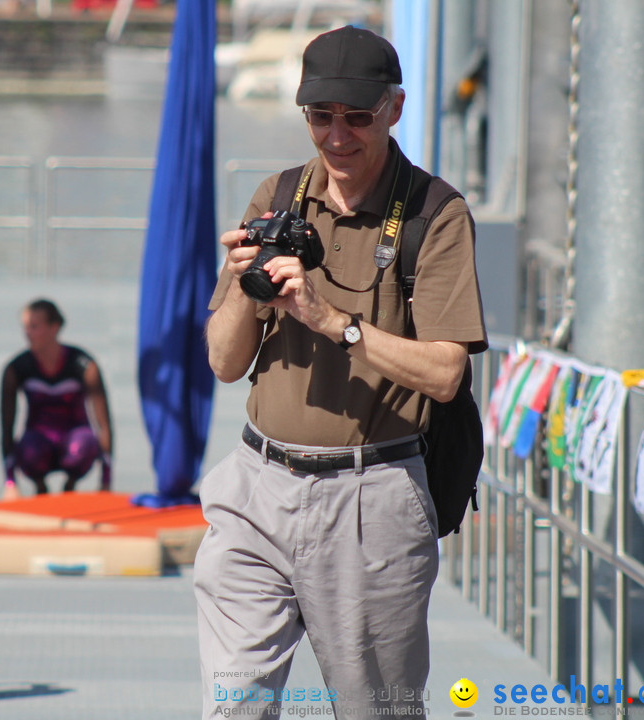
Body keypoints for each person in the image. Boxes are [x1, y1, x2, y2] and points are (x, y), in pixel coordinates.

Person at [194, 26, 487, 719]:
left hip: (371, 499)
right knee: (231, 708)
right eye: (320, 117)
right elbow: (224, 361)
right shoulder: (279, 194)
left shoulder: (433, 215)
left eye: (357, 118)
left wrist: (332, 319)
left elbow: (447, 375)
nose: (336, 136)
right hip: (256, 490)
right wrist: (243, 283)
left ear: (395, 108)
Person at [0, 299, 113, 499]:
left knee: (82, 446)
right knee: (29, 450)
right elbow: (7, 425)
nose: (27, 333)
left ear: (55, 327)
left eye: (34, 327)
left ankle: (70, 486)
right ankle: (40, 487)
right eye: (25, 327)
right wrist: (10, 482)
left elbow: (104, 424)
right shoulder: (17, 368)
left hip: (74, 440)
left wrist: (105, 481)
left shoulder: (83, 365)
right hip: (39, 443)